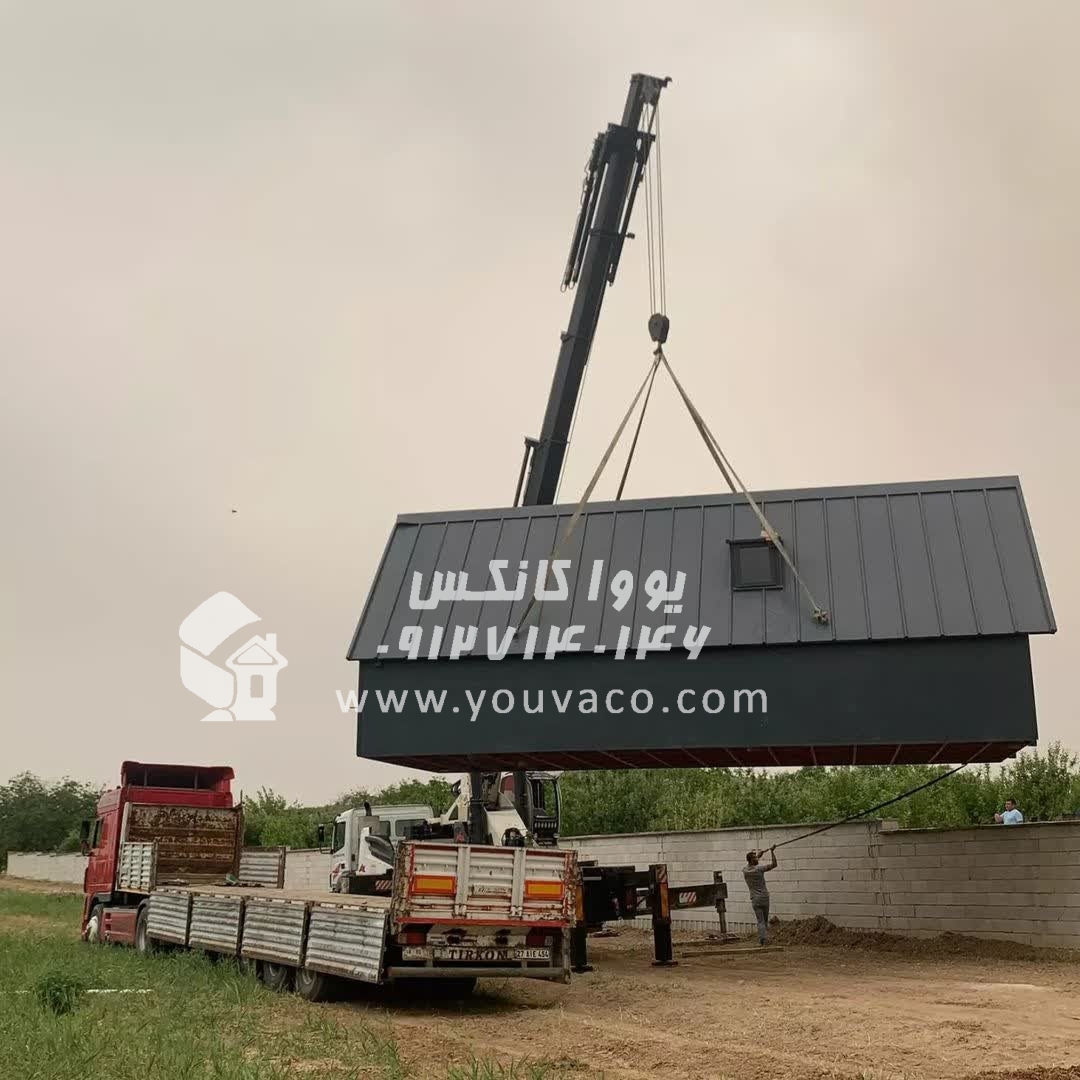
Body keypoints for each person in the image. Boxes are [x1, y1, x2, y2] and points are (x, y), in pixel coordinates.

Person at [743, 846, 777, 945]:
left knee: (760, 921)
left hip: (755, 899)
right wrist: (772, 852)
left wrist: (758, 855)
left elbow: (751, 863)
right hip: (764, 897)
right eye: (755, 858)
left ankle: (762, 939)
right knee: (764, 921)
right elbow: (774, 864)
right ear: (751, 860)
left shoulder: (745, 870)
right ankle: (764, 939)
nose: (757, 859)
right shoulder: (759, 869)